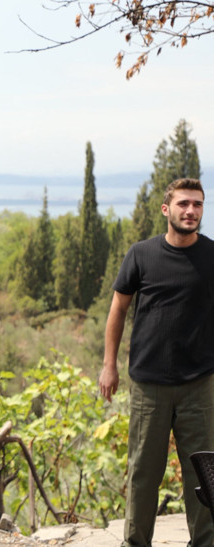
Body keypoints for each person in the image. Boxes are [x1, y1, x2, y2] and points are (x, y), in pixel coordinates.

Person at [100, 177, 214, 547]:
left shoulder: (212, 256)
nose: (191, 211)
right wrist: (109, 364)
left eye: (197, 204)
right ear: (167, 209)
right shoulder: (142, 255)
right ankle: (135, 543)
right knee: (144, 473)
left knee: (204, 472)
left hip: (200, 385)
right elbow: (118, 309)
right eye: (183, 204)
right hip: (149, 385)